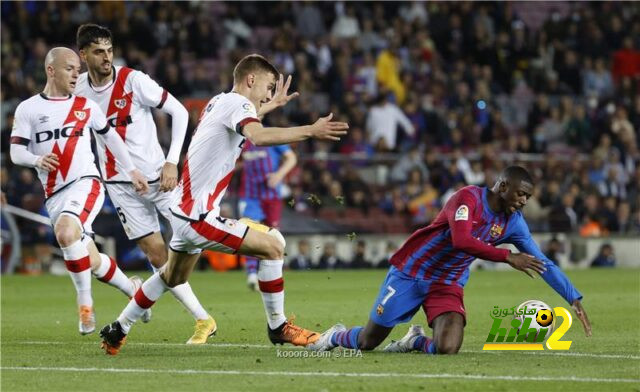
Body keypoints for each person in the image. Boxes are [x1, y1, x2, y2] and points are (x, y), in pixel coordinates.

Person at [99, 54, 349, 355]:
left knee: (172, 276)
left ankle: (118, 328)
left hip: (182, 211)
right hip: (197, 216)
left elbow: (246, 118)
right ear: (251, 80)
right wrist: (310, 130)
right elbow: (256, 135)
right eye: (268, 87)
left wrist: (272, 106)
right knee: (274, 244)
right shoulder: (239, 107)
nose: (269, 93)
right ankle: (278, 327)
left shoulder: (219, 101)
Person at [308, 166, 592, 354]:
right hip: (412, 272)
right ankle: (336, 335)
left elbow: (542, 262)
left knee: (448, 348)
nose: (524, 201)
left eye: (528, 197)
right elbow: (462, 240)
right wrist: (507, 256)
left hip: (447, 282)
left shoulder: (514, 223)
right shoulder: (466, 198)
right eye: (521, 194)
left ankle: (415, 340)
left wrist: (572, 298)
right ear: (503, 186)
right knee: (368, 342)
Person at [73, 24, 212, 344]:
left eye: (109, 50)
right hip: (120, 186)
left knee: (194, 239)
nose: (107, 57)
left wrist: (172, 160)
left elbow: (179, 111)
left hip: (160, 180)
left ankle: (140, 299)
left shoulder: (133, 80)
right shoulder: (77, 88)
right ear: (83, 55)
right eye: (98, 52)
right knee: (158, 257)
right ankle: (203, 319)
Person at [9, 47, 150, 335]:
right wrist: (36, 159)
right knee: (91, 259)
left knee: (64, 232)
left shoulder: (85, 106)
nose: (77, 74)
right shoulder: (29, 109)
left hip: (87, 183)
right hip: (54, 194)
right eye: (69, 68)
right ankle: (135, 290)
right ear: (51, 70)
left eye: (78, 69)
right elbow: (15, 151)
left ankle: (85, 307)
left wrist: (132, 170)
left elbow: (110, 136)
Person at [239, 138, 297, 290]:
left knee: (273, 236)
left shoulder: (270, 136)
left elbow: (292, 158)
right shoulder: (242, 139)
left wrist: (279, 175)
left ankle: (271, 274)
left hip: (272, 197)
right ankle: (252, 273)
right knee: (250, 232)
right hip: (252, 197)